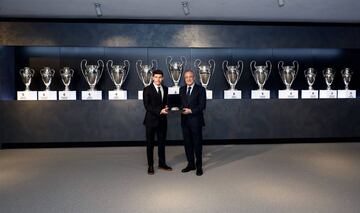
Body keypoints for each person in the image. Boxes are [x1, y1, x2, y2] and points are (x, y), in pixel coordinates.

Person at [143, 69, 172, 175]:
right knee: (150, 144)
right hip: (150, 121)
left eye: (160, 77)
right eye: (156, 77)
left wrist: (167, 107)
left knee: (162, 144)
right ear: (152, 78)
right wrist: (160, 111)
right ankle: (150, 165)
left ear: (162, 78)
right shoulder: (147, 89)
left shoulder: (165, 88)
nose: (158, 79)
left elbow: (164, 103)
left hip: (162, 121)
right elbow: (147, 106)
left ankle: (162, 163)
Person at [179, 69, 206, 176]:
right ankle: (191, 164)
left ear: (194, 77)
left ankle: (199, 166)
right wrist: (177, 108)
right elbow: (180, 104)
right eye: (186, 77)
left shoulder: (201, 89)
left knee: (197, 144)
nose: (188, 79)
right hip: (185, 121)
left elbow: (202, 106)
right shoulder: (181, 89)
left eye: (190, 77)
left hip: (196, 121)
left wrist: (191, 111)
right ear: (184, 79)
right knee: (187, 144)